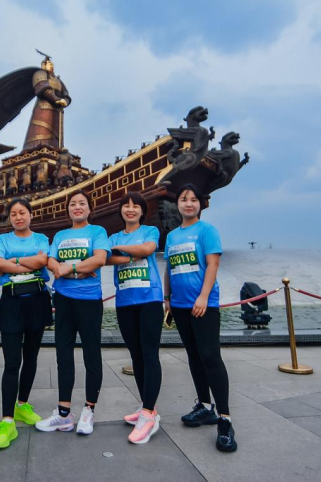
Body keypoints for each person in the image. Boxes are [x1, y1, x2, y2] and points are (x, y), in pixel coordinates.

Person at [164, 183, 237, 453]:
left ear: (200, 204)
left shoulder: (207, 231)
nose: (189, 203)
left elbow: (213, 264)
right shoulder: (172, 236)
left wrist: (204, 297)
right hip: (180, 305)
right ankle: (205, 406)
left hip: (203, 304)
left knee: (211, 357)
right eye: (184, 199)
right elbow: (170, 268)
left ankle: (225, 420)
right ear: (177, 204)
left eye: (193, 199)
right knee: (194, 356)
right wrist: (167, 298)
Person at [36, 190, 109, 435]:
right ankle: (64, 413)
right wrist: (75, 269)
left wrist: (69, 268)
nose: (77, 207)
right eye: (73, 204)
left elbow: (99, 259)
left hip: (89, 300)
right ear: (68, 209)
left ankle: (89, 409)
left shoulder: (97, 232)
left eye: (82, 203)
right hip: (63, 299)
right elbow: (50, 261)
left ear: (89, 208)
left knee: (92, 354)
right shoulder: (60, 235)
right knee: (63, 355)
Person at [0, 198, 52, 449]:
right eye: (13, 214)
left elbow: (42, 262)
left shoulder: (41, 238)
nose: (18, 217)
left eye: (22, 212)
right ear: (9, 218)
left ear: (31, 215)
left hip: (37, 299)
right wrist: (27, 262)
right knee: (12, 362)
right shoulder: (1, 240)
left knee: (32, 357)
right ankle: (7, 421)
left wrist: (13, 262)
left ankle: (22, 405)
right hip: (12, 302)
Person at [106, 192, 163, 444]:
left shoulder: (150, 231)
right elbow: (106, 258)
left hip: (149, 299)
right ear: (120, 210)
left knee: (150, 354)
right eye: (126, 206)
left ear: (142, 211)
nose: (130, 209)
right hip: (125, 301)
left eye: (135, 206)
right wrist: (131, 255)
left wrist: (122, 251)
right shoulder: (113, 237)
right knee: (136, 355)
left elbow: (148, 249)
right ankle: (146, 405)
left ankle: (149, 414)